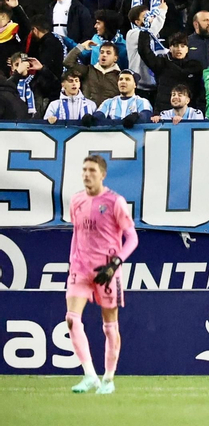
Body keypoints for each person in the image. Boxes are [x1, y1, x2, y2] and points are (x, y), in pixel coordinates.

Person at [64, 153, 138, 394]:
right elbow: (77, 233)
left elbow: (132, 238)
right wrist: (72, 260)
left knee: (109, 327)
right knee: (71, 319)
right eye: (84, 169)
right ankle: (89, 375)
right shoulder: (76, 200)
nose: (87, 174)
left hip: (107, 271)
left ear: (103, 174)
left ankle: (108, 378)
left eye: (92, 170)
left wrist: (114, 264)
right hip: (80, 269)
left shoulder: (115, 202)